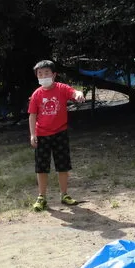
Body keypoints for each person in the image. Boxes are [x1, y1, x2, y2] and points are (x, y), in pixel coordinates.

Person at [28, 60, 85, 211]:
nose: (43, 76)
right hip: (42, 135)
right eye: (40, 74)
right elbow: (32, 115)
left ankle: (64, 194)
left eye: (46, 73)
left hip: (60, 133)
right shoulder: (36, 94)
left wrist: (78, 94)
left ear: (54, 75)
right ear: (37, 77)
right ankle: (42, 197)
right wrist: (33, 134)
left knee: (63, 166)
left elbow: (74, 92)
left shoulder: (61, 88)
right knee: (41, 167)